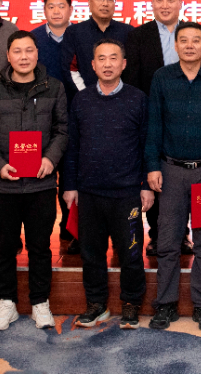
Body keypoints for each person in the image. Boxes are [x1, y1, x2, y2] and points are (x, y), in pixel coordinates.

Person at [0, 30, 68, 331]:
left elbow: (62, 130)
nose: (24, 57)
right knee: (4, 246)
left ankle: (40, 302)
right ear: (8, 55)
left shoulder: (54, 87)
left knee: (40, 246)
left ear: (37, 54)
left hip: (41, 184)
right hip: (3, 185)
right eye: (17, 51)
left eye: (29, 50)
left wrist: (50, 159)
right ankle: (6, 303)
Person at [63, 39, 151, 330]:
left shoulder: (138, 99)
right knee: (91, 254)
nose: (107, 64)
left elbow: (147, 145)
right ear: (93, 65)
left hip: (127, 193)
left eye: (114, 58)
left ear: (123, 64)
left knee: (131, 252)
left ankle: (131, 303)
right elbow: (73, 146)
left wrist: (145, 185)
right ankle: (96, 304)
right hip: (89, 192)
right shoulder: (82, 100)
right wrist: (70, 185)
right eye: (101, 58)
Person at [145, 22, 201, 332]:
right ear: (176, 45)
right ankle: (165, 303)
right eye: (184, 40)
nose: (190, 45)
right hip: (170, 172)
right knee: (167, 242)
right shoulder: (162, 78)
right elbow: (153, 125)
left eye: (196, 40)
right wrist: (152, 166)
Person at [125, 0, 192, 257]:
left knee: (186, 178)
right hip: (151, 114)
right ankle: (156, 235)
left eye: (170, 0)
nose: (165, 5)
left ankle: (183, 234)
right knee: (155, 174)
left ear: (180, 3)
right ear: (152, 4)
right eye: (159, 0)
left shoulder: (192, 32)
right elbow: (132, 78)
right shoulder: (138, 36)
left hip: (188, 116)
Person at [30, 0, 75, 252]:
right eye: (51, 6)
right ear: (44, 9)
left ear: (71, 9)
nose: (56, 11)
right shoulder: (32, 39)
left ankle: (70, 226)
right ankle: (40, 229)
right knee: (43, 172)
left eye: (61, 6)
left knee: (71, 172)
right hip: (41, 117)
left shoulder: (80, 36)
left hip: (75, 116)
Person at [60, 0, 134, 99]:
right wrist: (86, 94)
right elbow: (70, 70)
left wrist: (122, 94)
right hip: (84, 99)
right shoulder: (74, 32)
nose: (105, 4)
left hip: (122, 99)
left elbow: (132, 69)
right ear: (89, 3)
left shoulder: (128, 32)